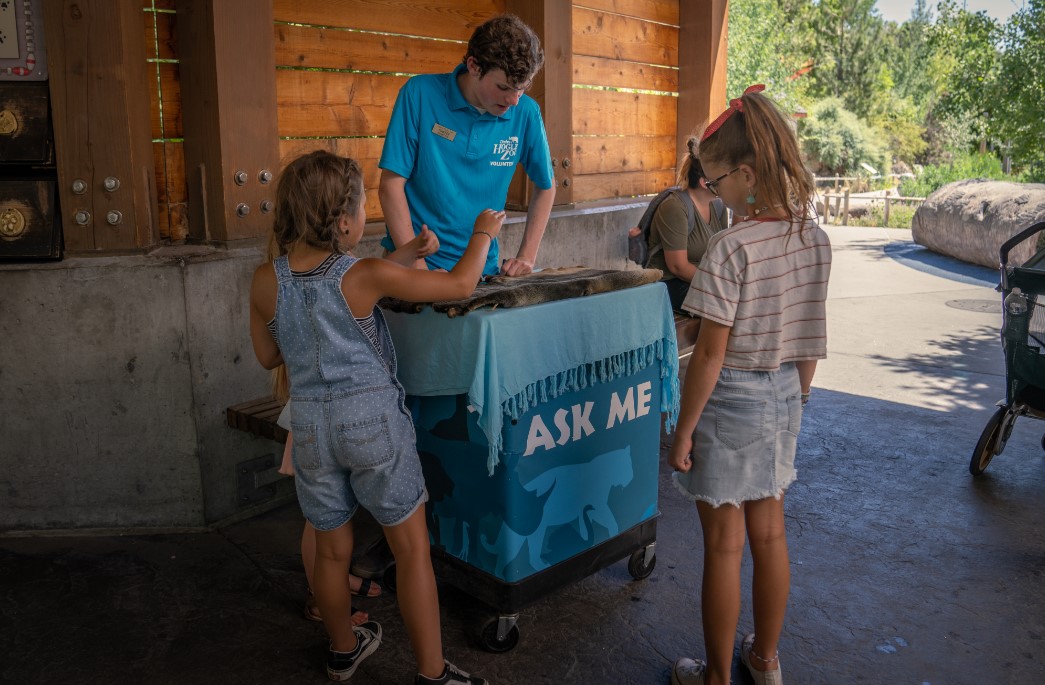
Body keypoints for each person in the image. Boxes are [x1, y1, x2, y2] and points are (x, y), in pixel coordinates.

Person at [250, 149, 501, 684]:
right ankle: (433, 673)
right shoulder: (360, 276)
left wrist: (408, 251)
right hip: (372, 428)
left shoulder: (265, 281)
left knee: (332, 550)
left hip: (312, 431)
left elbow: (271, 356)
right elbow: (459, 285)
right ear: (343, 221)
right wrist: (483, 232)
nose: (368, 218)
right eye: (364, 208)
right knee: (411, 551)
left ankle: (343, 649)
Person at [667, 85, 832, 685]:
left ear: (745, 173)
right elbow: (811, 334)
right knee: (771, 534)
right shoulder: (813, 238)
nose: (712, 194)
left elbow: (710, 352)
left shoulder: (731, 247)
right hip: (786, 391)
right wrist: (800, 397)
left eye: (714, 183)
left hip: (730, 400)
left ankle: (714, 676)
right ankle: (764, 660)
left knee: (724, 547)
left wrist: (683, 430)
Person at [378, 13, 555, 277]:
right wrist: (418, 268)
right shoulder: (418, 94)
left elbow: (546, 186)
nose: (514, 100)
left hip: (480, 272)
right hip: (409, 268)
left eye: (523, 88)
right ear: (474, 66)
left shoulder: (527, 112)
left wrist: (526, 257)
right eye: (504, 87)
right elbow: (390, 186)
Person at [645, 137, 728, 312]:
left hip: (702, 280)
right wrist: (716, 286)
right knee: (722, 308)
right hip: (670, 284)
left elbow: (723, 253)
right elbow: (678, 267)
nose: (727, 181)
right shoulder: (675, 207)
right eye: (722, 177)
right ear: (705, 183)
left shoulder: (719, 206)